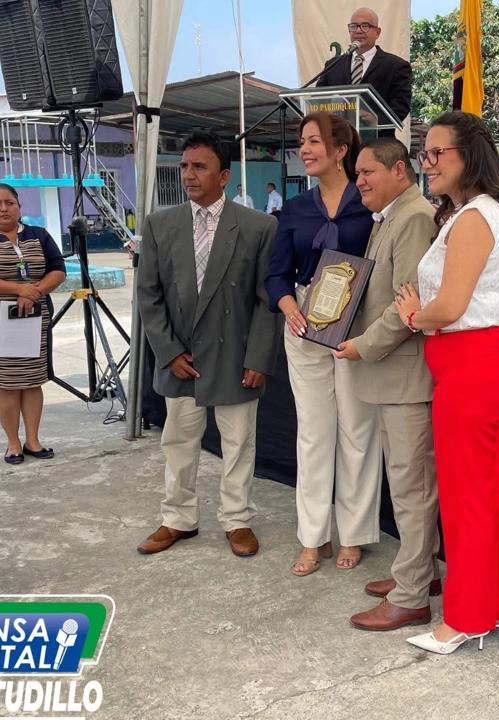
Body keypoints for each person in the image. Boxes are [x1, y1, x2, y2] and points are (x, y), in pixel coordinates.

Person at [394, 110, 499, 654]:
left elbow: (449, 307)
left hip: (471, 366)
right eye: (423, 153)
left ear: (467, 156)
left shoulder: (474, 217)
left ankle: (465, 617)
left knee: (467, 497)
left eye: (435, 153)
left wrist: (413, 315)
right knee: (489, 491)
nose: (426, 163)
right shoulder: (474, 213)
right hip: (476, 364)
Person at [135, 134, 280, 558]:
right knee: (178, 443)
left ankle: (237, 519)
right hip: (181, 357)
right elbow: (148, 295)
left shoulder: (258, 226)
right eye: (184, 166)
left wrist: (258, 357)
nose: (189, 175)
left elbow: (266, 300)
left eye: (199, 166)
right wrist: (169, 353)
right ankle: (178, 518)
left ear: (224, 175)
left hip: (235, 356)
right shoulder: (160, 225)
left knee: (239, 444)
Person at [265, 112, 381, 576]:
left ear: (341, 150)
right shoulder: (295, 208)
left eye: (314, 141)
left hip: (357, 325)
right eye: (302, 141)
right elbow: (275, 273)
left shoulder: (368, 203)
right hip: (305, 326)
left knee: (358, 429)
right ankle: (313, 537)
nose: (305, 149)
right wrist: (288, 306)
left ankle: (353, 533)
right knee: (314, 434)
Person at [333, 138, 440, 631]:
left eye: (367, 172)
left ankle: (412, 594)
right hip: (391, 376)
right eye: (356, 174)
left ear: (399, 170)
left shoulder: (413, 217)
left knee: (412, 488)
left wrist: (361, 345)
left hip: (404, 376)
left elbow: (406, 305)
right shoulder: (391, 217)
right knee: (409, 484)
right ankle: (420, 572)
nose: (359, 182)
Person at [0, 184, 66, 464]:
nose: (4, 208)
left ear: (19, 206)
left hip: (35, 318)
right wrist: (18, 289)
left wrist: (34, 292)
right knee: (7, 383)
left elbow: (57, 269)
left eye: (10, 202)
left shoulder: (38, 235)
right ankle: (13, 443)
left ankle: (33, 440)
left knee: (33, 379)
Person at [315, 6, 412, 135]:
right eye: (354, 26)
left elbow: (401, 106)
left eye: (365, 26)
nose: (358, 30)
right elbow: (319, 99)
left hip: (377, 140)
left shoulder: (396, 66)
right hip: (339, 139)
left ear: (377, 32)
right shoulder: (333, 65)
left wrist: (377, 120)